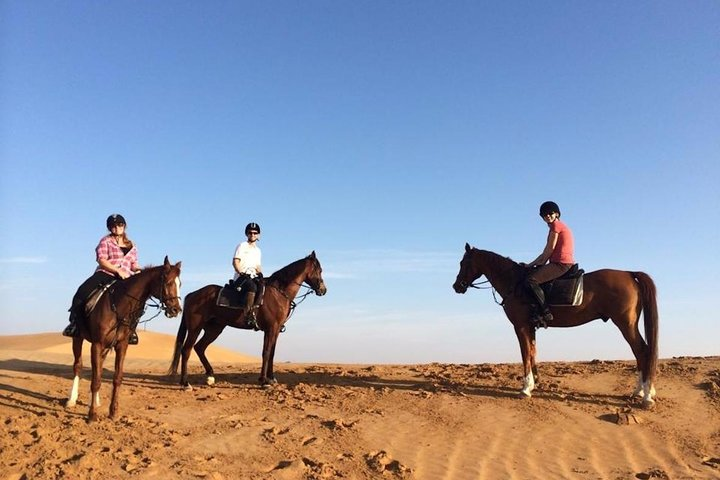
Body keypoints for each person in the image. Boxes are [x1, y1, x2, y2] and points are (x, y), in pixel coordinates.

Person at [62, 214, 142, 344]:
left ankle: (131, 331)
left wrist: (139, 270)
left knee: (138, 303)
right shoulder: (105, 241)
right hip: (106, 273)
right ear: (110, 228)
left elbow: (133, 264)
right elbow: (102, 260)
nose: (117, 228)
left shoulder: (132, 245)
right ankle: (75, 325)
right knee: (81, 292)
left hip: (126, 278)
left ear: (124, 226)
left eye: (120, 225)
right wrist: (117, 270)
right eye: (113, 226)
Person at [522, 201, 575, 328]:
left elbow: (549, 250)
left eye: (550, 213)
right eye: (544, 215)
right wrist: (531, 265)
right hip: (559, 262)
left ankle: (545, 311)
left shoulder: (556, 226)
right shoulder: (559, 226)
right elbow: (545, 252)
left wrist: (538, 264)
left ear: (557, 214)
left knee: (531, 280)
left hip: (561, 264)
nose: (548, 216)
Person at [232, 222, 263, 329]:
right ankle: (249, 315)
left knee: (264, 287)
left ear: (258, 235)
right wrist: (241, 273)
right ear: (246, 234)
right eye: (250, 233)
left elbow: (258, 267)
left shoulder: (258, 251)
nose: (252, 235)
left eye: (255, 233)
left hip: (253, 276)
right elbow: (235, 262)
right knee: (252, 286)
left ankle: (258, 314)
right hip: (241, 278)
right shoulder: (242, 246)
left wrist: (261, 274)